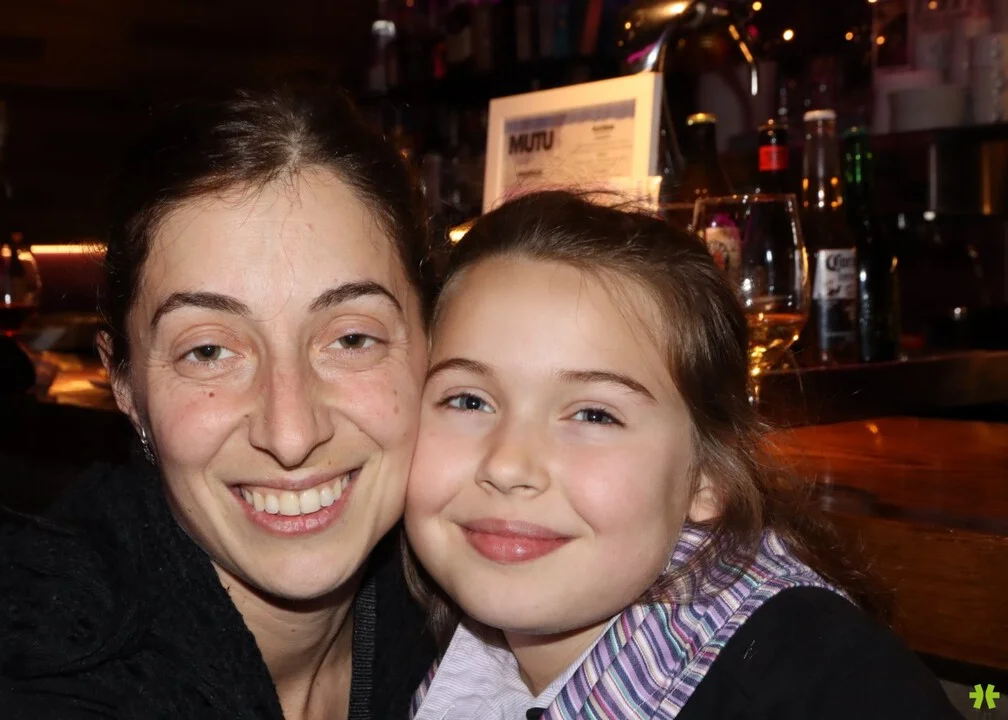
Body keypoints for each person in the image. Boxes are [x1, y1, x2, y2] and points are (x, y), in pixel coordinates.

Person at [0, 84, 436, 719]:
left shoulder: (477, 607)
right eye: (208, 351)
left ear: (434, 343)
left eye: (351, 339)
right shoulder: (24, 682)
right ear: (124, 384)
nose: (291, 433)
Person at [403, 190, 960, 719]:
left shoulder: (829, 688)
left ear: (709, 475)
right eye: (468, 400)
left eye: (594, 415)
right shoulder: (403, 640)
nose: (506, 465)